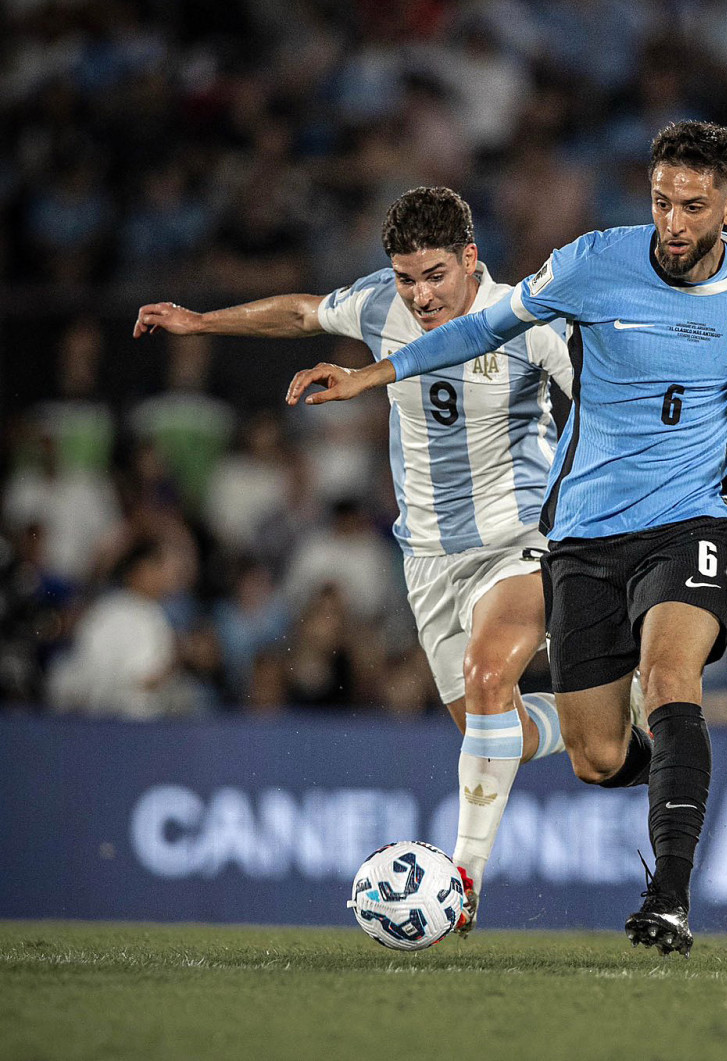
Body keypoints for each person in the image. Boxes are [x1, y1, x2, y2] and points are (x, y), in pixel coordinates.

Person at [284, 121, 727, 956]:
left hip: (691, 518)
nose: (676, 223)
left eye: (694, 206)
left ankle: (668, 896)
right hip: (582, 534)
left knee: (667, 676)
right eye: (662, 202)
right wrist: (372, 373)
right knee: (595, 753)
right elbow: (486, 325)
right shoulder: (591, 262)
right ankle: (669, 764)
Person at [134, 186, 586, 933]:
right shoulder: (381, 304)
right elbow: (303, 311)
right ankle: (601, 708)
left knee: (485, 677)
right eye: (407, 277)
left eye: (436, 274)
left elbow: (600, 406)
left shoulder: (527, 319)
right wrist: (202, 320)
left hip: (517, 541)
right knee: (487, 724)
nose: (420, 294)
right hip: (428, 556)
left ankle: (462, 884)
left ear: (471, 258)